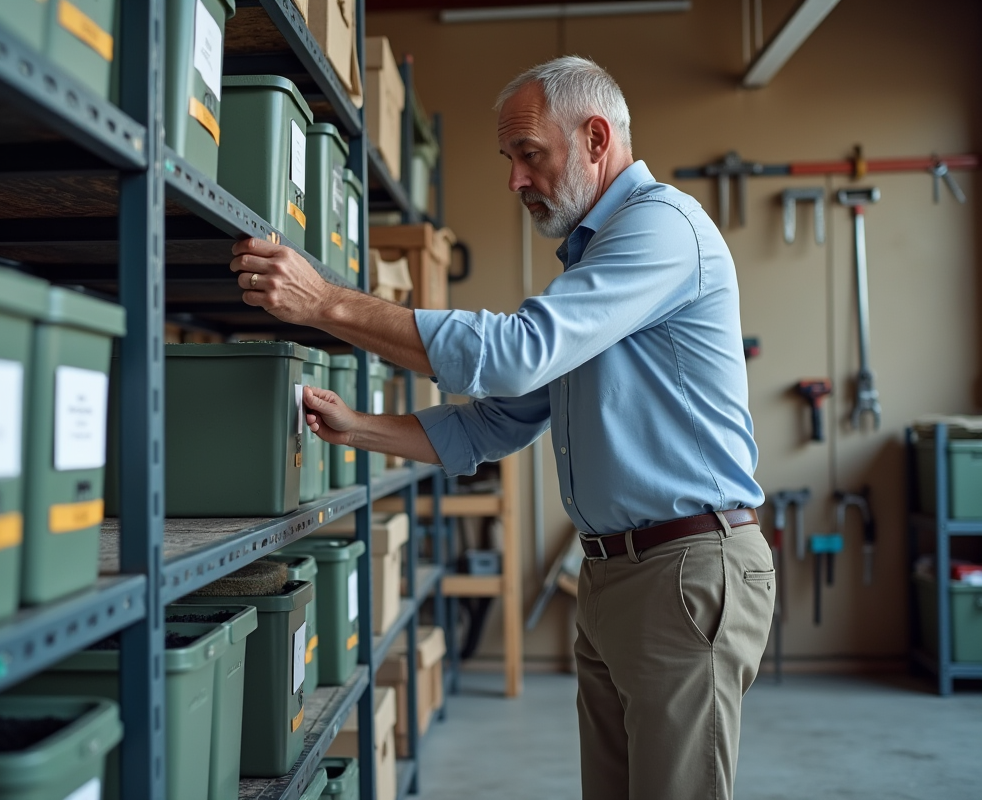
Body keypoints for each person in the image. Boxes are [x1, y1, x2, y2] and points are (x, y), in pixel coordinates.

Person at [229, 55, 775, 800]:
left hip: (684, 570)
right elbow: (496, 424)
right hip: (617, 574)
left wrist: (327, 303)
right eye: (508, 159)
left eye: (529, 155)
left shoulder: (662, 230)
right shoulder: (595, 264)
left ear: (594, 138)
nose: (515, 179)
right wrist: (358, 429)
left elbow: (514, 358)